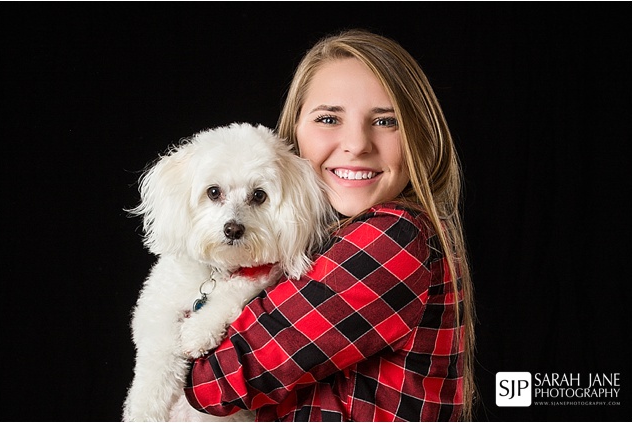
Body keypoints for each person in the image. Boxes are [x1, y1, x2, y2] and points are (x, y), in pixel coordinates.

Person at [183, 29, 476, 421]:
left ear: (419, 135)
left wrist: (166, 330)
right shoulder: (325, 241)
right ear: (293, 135)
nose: (357, 144)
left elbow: (212, 384)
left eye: (387, 121)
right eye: (328, 118)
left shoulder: (392, 239)